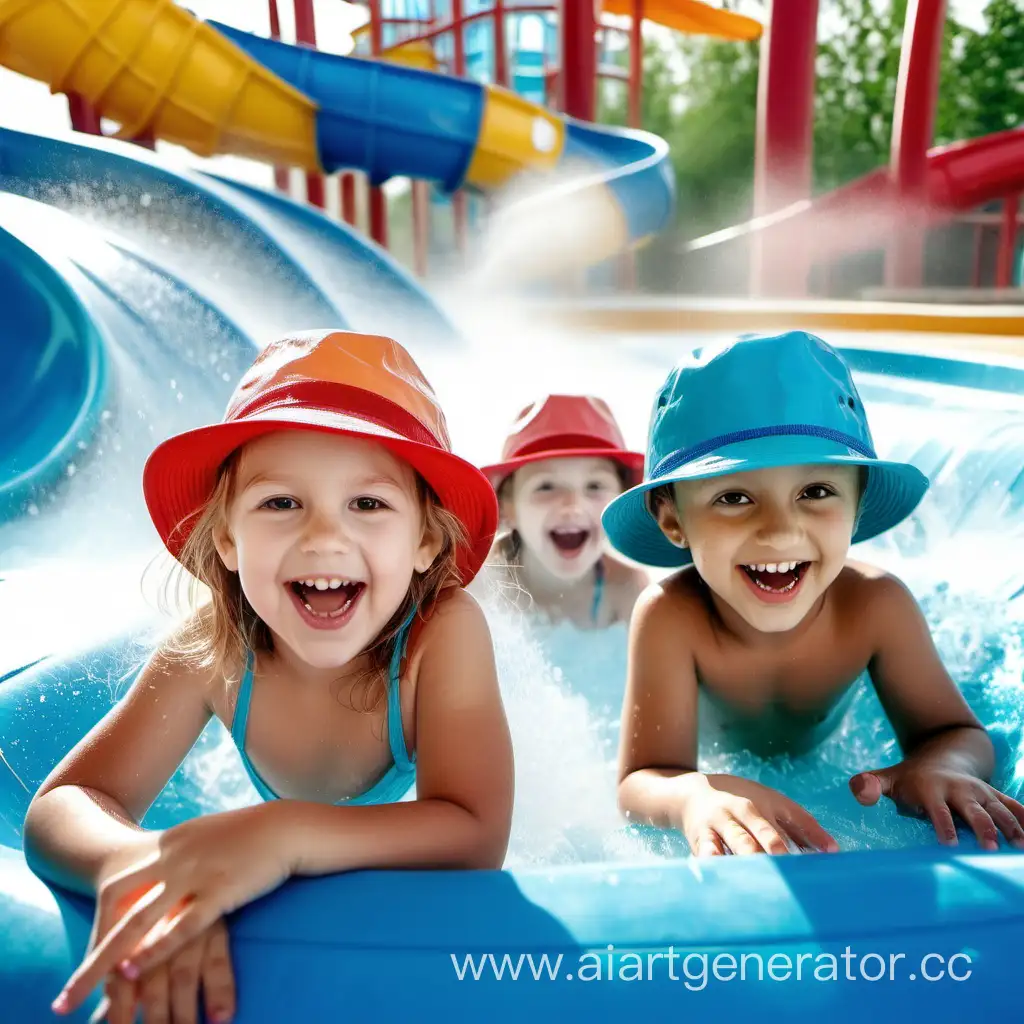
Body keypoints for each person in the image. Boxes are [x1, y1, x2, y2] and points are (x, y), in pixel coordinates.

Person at [25, 330, 514, 1023]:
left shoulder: (444, 634)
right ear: (226, 537)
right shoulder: (211, 651)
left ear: (424, 542)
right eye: (280, 503)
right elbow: (67, 800)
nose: (323, 537)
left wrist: (283, 834)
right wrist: (138, 867)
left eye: (368, 505)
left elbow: (476, 834)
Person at [602, 330, 1024, 857]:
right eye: (734, 497)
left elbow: (958, 731)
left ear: (858, 502)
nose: (779, 531)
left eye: (816, 492)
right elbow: (642, 777)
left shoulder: (876, 606)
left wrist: (940, 763)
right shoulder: (671, 617)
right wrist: (693, 794)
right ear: (672, 519)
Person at [480, 394, 648, 629]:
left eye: (595, 486)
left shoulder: (628, 591)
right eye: (546, 486)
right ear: (507, 508)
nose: (573, 506)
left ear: (620, 503)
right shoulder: (482, 585)